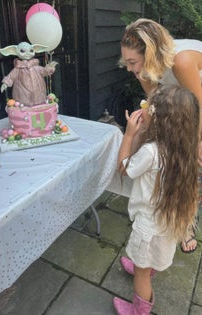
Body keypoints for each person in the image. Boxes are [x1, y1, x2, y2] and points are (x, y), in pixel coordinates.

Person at [113, 85, 199, 314]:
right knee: (152, 255)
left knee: (141, 275)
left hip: (148, 228)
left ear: (159, 120)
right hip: (168, 225)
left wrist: (130, 134)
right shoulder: (186, 149)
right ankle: (146, 263)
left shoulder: (151, 151)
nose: (144, 109)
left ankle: (138, 309)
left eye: (148, 108)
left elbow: (124, 168)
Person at [119, 18, 202, 253]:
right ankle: (168, 214)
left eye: (132, 61)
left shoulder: (182, 61)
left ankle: (186, 225)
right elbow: (155, 105)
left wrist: (197, 143)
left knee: (192, 167)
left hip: (199, 100)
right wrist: (142, 131)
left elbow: (199, 108)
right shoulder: (142, 71)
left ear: (151, 53)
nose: (128, 68)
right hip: (182, 104)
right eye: (126, 62)